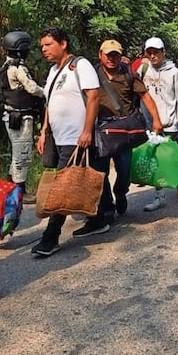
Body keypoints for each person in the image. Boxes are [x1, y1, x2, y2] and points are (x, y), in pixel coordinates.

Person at [32, 27, 109, 257]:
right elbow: (50, 102)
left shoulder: (81, 65)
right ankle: (100, 217)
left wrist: (87, 130)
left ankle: (50, 237)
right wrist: (44, 131)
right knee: (82, 177)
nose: (44, 50)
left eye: (48, 44)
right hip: (58, 137)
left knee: (63, 188)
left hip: (76, 136)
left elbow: (94, 97)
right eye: (42, 46)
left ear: (63, 43)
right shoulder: (54, 70)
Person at [94, 39, 162, 217]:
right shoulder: (92, 74)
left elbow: (145, 96)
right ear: (100, 55)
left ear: (120, 56)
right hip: (101, 129)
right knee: (100, 171)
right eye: (108, 55)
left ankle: (121, 191)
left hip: (124, 130)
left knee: (124, 169)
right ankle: (107, 208)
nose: (112, 59)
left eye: (115, 55)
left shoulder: (129, 74)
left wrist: (156, 119)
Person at [138, 37, 178, 211]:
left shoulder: (174, 72)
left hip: (169, 123)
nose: (153, 56)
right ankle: (159, 196)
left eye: (156, 52)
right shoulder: (143, 70)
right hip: (149, 124)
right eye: (150, 52)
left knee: (173, 158)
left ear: (163, 52)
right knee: (154, 160)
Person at [0, 31, 44, 204]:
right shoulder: (17, 68)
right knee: (22, 153)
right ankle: (20, 192)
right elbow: (31, 88)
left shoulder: (5, 66)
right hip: (21, 117)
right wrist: (47, 92)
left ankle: (12, 189)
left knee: (18, 152)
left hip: (11, 115)